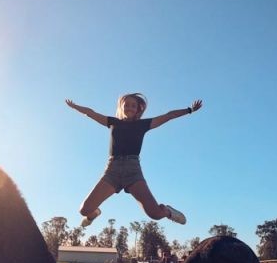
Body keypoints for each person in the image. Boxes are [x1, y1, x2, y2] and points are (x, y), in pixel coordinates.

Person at [66, 93, 203, 227]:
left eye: (133, 105)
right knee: (84, 210)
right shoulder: (113, 122)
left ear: (138, 109)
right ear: (121, 107)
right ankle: (94, 214)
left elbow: (168, 116)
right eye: (127, 105)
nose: (130, 108)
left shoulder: (143, 124)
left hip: (133, 171)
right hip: (112, 171)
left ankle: (168, 211)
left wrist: (189, 110)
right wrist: (75, 107)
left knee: (154, 214)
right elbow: (91, 113)